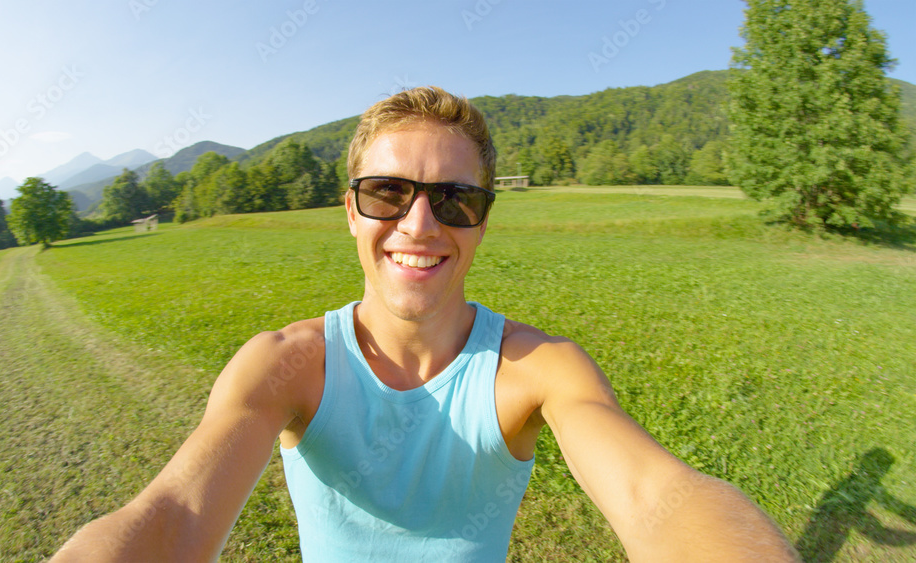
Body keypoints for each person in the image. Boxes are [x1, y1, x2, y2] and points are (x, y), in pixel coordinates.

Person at [51, 86, 799, 562]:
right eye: (386, 192)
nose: (418, 224)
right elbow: (176, 511)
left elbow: (656, 498)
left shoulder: (538, 369)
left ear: (481, 220)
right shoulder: (287, 363)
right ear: (350, 212)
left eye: (454, 199)